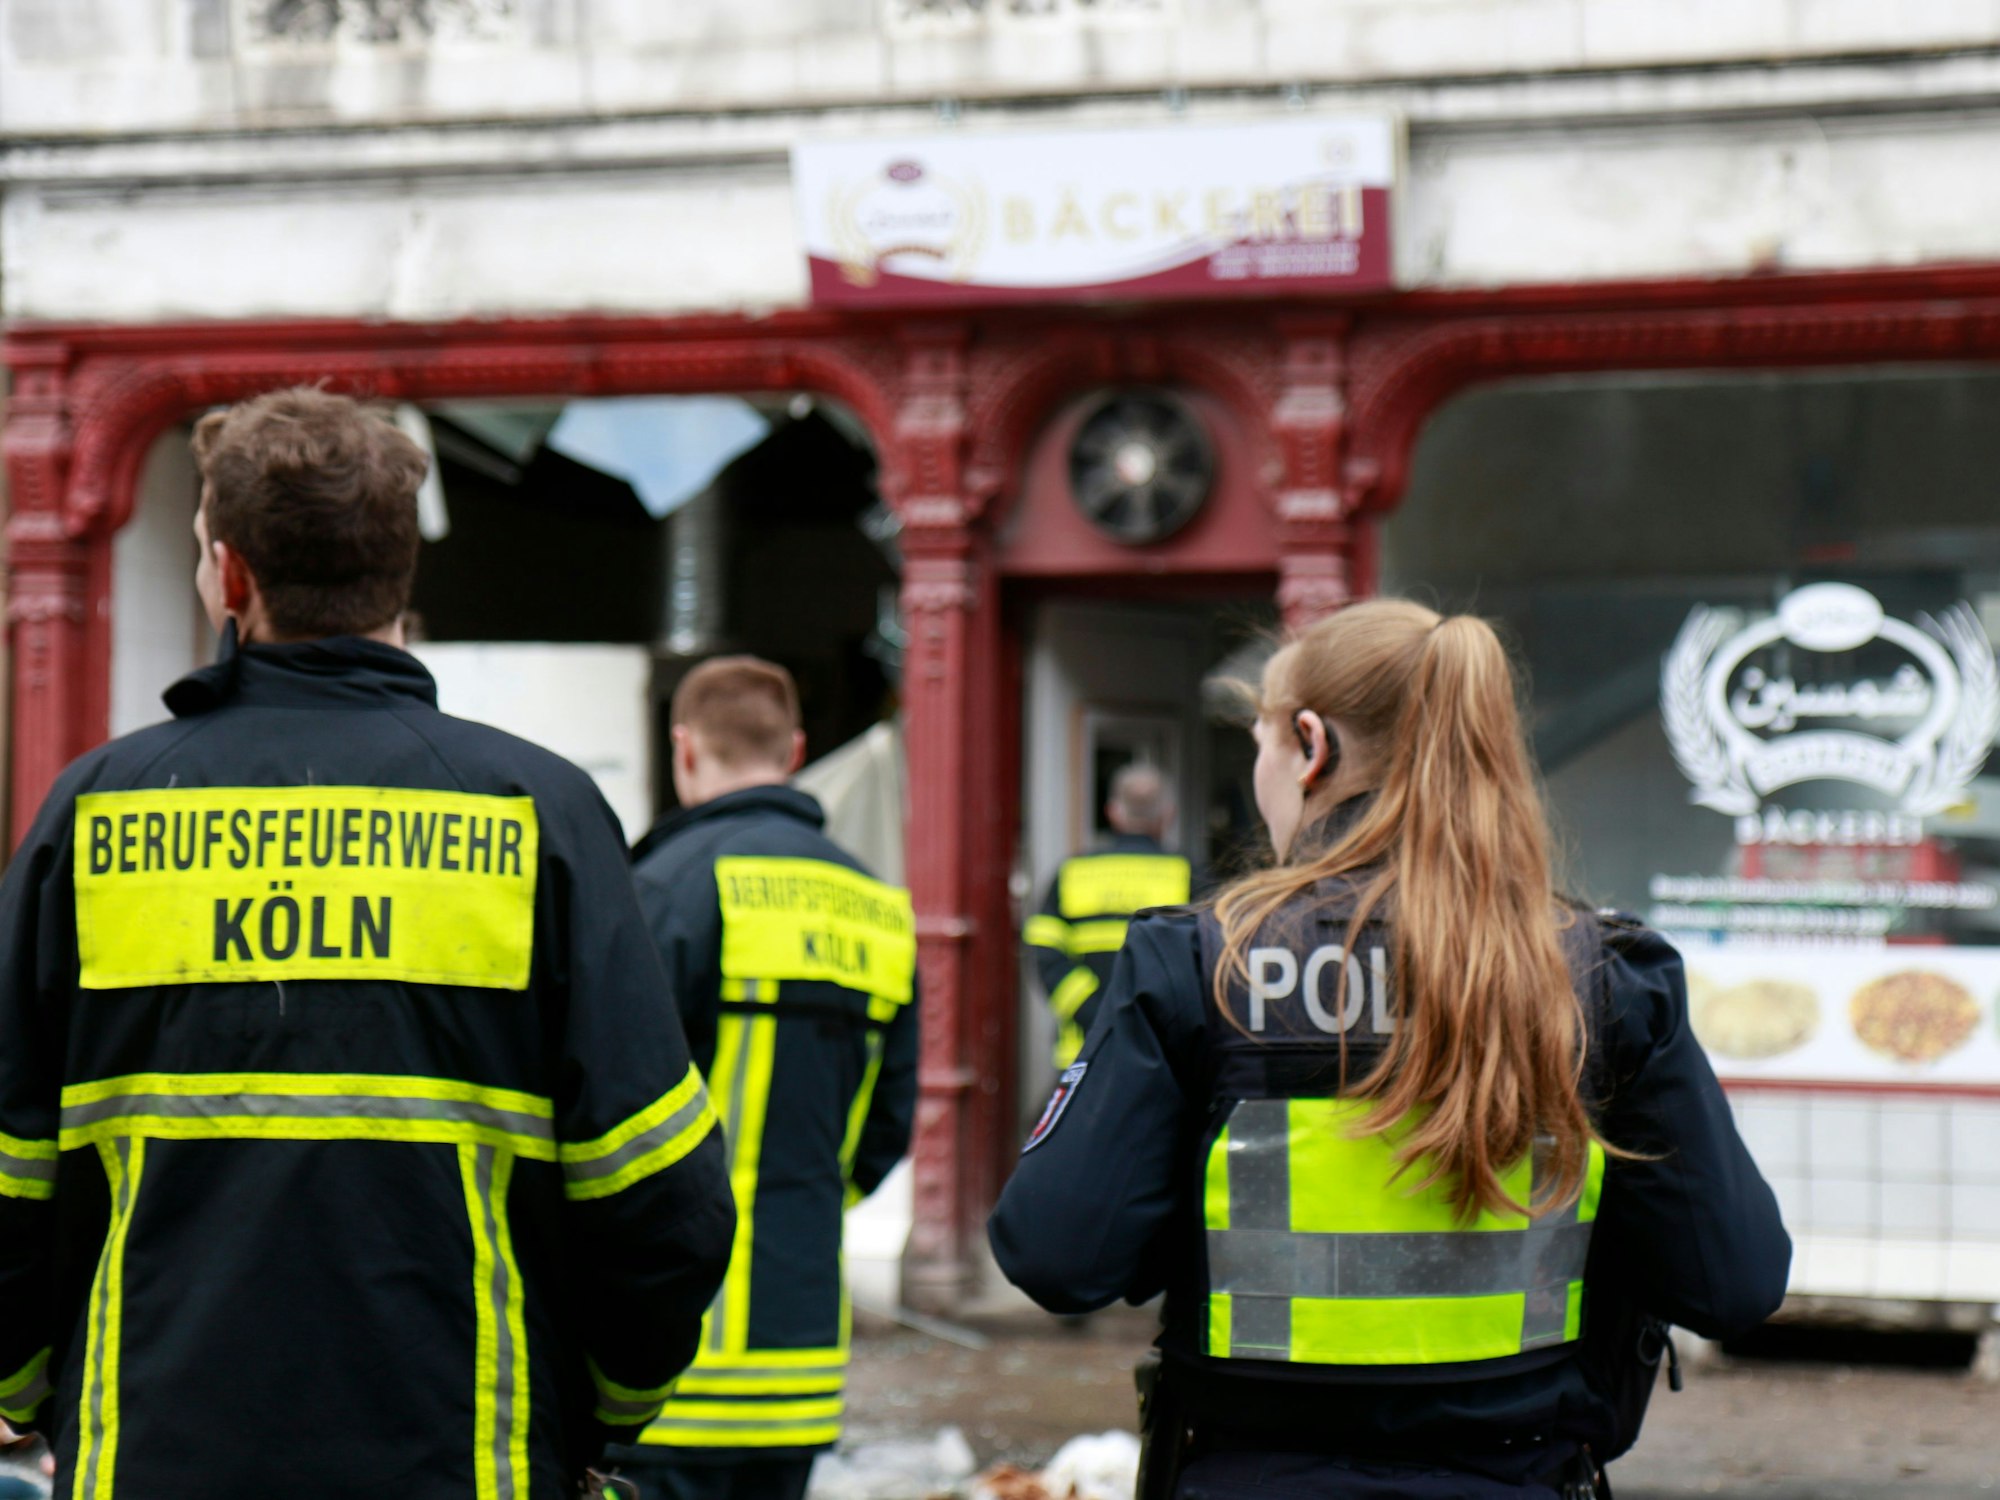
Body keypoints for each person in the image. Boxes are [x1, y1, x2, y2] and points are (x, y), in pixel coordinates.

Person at [0, 388, 737, 1498]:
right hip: (468, 1461)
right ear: (401, 573)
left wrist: (39, 1395)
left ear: (230, 576)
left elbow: (9, 1177)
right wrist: (591, 1418)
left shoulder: (92, 812)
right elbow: (658, 1194)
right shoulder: (539, 814)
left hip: (149, 1455)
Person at [989, 600, 1791, 1500]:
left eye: (1259, 746)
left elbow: (1055, 1255)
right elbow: (1737, 1281)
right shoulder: (1604, 977)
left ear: (1309, 745)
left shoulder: (1197, 966)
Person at [612, 657, 920, 1500]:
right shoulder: (877, 907)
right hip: (799, 1358)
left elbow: (609, 1112)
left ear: (683, 750)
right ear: (794, 749)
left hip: (668, 1363)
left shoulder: (663, 891)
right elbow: (885, 1129)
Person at [1023, 763, 1193, 1069]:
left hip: (1083, 1052)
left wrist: (1094, 1011)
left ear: (1113, 812)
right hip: (1163, 1054)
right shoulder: (1188, 875)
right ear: (1168, 814)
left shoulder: (1072, 873)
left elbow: (1043, 952)